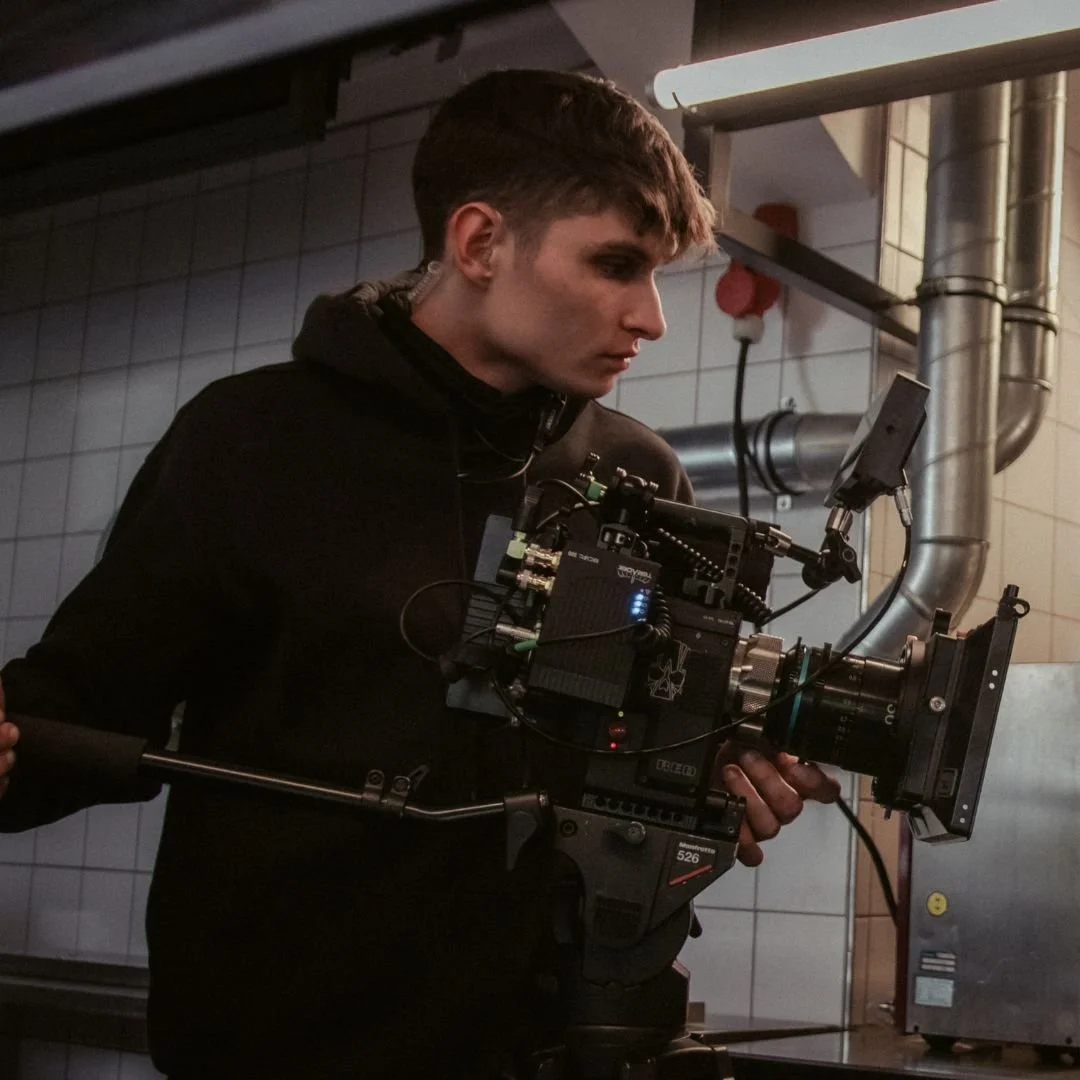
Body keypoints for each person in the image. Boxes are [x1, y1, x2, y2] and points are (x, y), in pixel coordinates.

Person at [0, 69, 838, 1078]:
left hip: (541, 1052)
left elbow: (642, 756)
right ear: (479, 243)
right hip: (274, 1053)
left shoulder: (640, 477)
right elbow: (78, 710)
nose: (651, 318)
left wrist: (713, 772)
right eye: (616, 265)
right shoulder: (252, 441)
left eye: (654, 273)